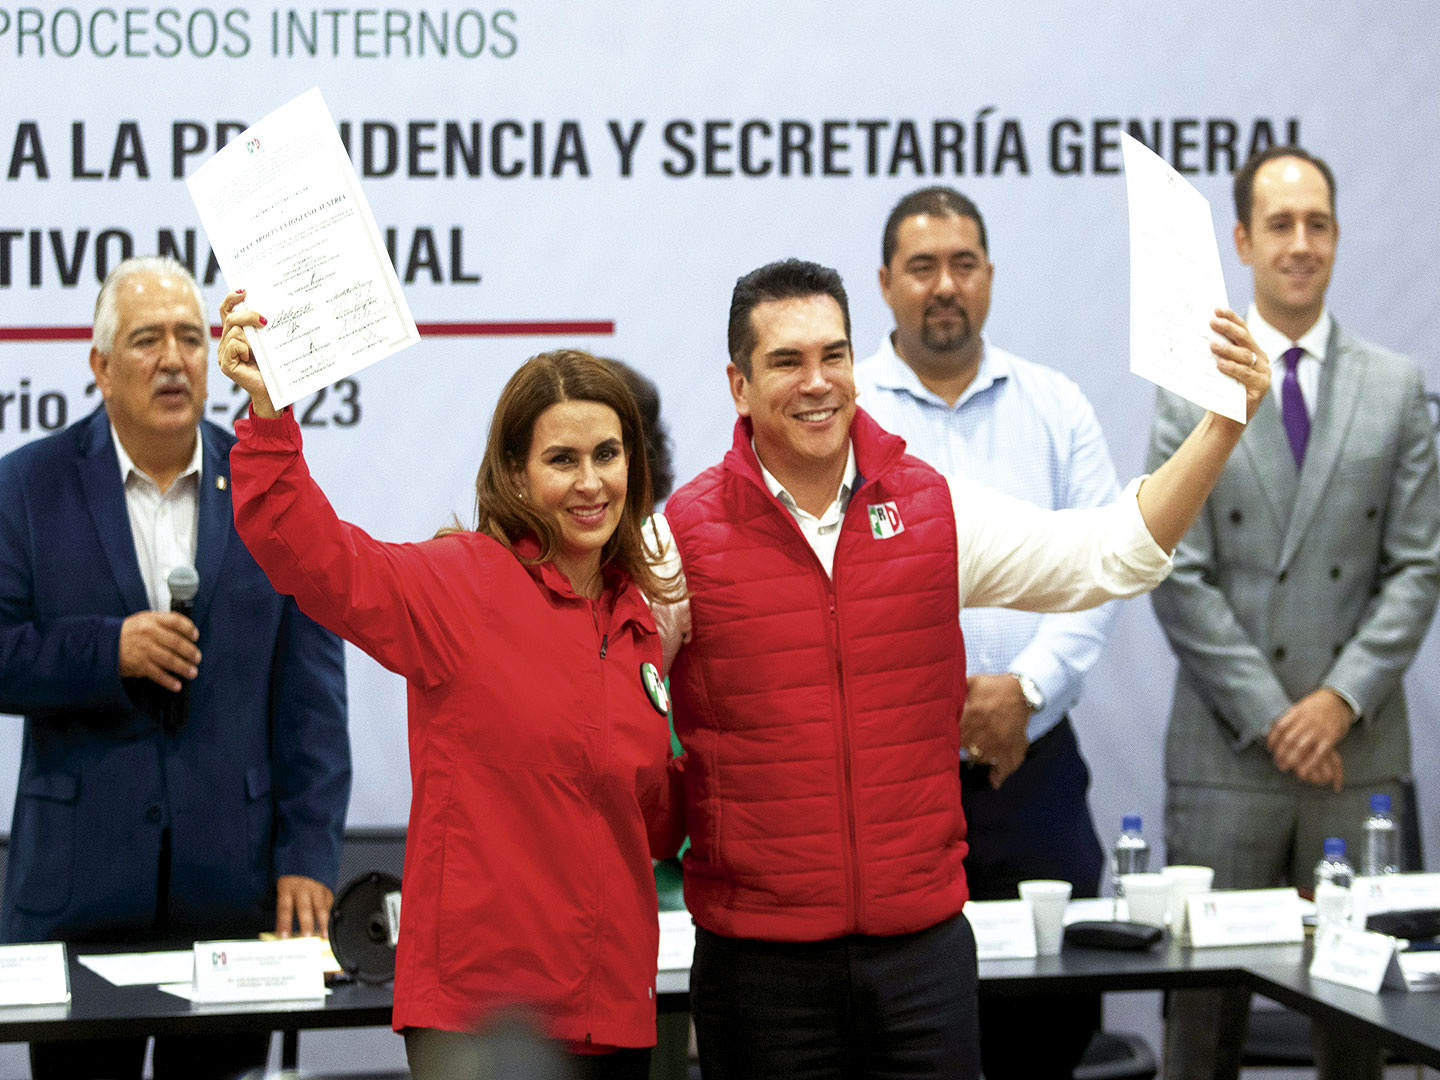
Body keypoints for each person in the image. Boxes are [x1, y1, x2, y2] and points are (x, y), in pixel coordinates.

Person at [657, 257, 1270, 1079]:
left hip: (921, 960)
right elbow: (603, 688)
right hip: (758, 967)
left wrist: (1222, 426)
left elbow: (1111, 554)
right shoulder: (683, 538)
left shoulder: (931, 510)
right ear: (739, 385)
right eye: (787, 361)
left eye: (834, 355)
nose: (818, 382)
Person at [216, 291, 684, 1080]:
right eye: (562, 460)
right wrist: (269, 416)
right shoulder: (461, 584)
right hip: (482, 1021)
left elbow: (651, 821)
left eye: (607, 454)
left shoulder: (639, 623)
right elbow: (313, 554)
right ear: (515, 473)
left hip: (613, 1011)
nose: (590, 482)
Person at [0, 256, 351, 1080]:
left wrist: (308, 854)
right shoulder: (24, 488)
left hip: (234, 893)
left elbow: (313, 700)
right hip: (78, 893)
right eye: (147, 340)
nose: (173, 360)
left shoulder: (271, 491)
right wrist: (106, 650)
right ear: (100, 366)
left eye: (191, 338)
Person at [1147, 147, 1440, 1080]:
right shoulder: (1192, 379)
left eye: (1318, 223)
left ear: (1339, 237)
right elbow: (1174, 569)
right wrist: (1278, 717)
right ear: (1242, 240)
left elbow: (1419, 565)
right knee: (1202, 1035)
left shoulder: (1396, 385)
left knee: (1365, 1033)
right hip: (1229, 757)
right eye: (1280, 224)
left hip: (1355, 756)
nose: (1301, 243)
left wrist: (1336, 703)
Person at [856, 186, 1119, 1078]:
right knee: (896, 1036)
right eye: (923, 267)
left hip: (1031, 770)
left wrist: (1025, 690)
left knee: (1047, 1030)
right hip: (889, 780)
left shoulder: (1056, 406)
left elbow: (1100, 568)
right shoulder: (840, 414)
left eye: (963, 264)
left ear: (991, 277)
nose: (945, 285)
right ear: (885, 283)